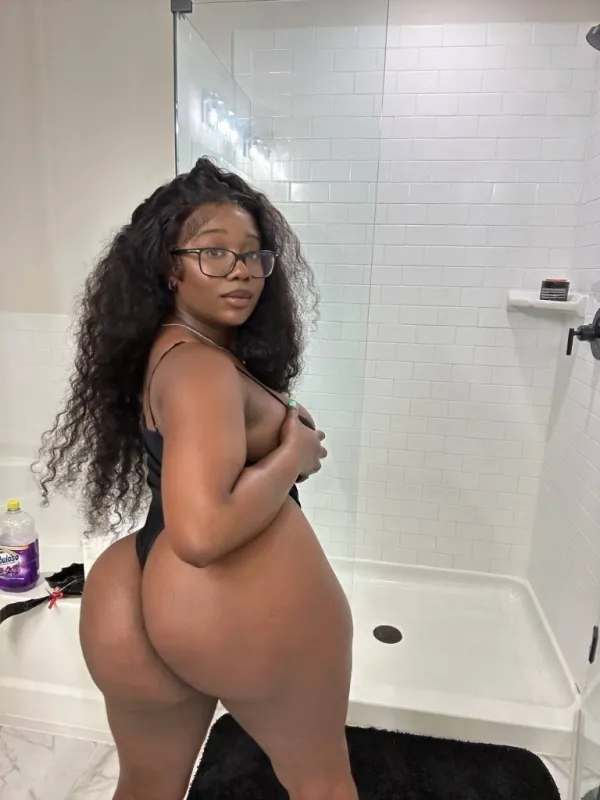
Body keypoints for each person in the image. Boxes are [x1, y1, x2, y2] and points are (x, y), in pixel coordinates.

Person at [37, 157, 357, 800]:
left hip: (130, 591)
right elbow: (202, 533)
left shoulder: (169, 350)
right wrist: (292, 456)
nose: (241, 270)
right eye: (213, 253)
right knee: (322, 782)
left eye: (253, 254)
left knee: (147, 786)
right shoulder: (203, 369)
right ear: (170, 267)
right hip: (232, 604)